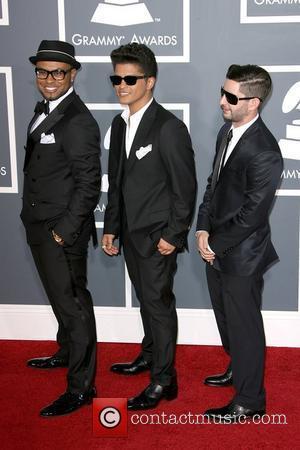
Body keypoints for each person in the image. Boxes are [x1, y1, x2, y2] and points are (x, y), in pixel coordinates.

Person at [102, 43, 197, 410]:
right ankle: (149, 354)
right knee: (147, 301)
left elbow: (184, 187)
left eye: (129, 78)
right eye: (116, 78)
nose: (121, 85)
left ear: (150, 81)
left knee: (157, 305)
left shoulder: (169, 127)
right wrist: (111, 227)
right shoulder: (118, 122)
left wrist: (173, 236)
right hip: (129, 234)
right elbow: (117, 180)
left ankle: (163, 381)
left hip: (158, 238)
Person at [196, 64, 283, 422]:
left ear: (254, 103)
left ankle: (250, 400)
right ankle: (239, 369)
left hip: (242, 256)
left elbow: (253, 215)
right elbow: (213, 185)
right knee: (227, 321)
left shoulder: (265, 151)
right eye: (223, 92)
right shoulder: (226, 133)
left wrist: (215, 244)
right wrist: (201, 228)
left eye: (231, 97)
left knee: (244, 327)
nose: (221, 101)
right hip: (215, 247)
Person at [21, 40, 101, 417]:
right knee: (60, 299)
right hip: (38, 222)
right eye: (42, 71)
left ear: (73, 75)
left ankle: (81, 388)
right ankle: (66, 351)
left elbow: (89, 183)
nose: (49, 79)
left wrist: (63, 232)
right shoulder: (45, 110)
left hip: (60, 230)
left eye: (58, 73)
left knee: (73, 306)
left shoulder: (79, 120)